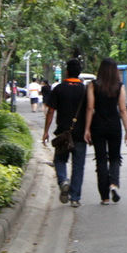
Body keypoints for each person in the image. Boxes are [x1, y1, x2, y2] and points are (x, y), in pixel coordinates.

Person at [83, 58, 127, 205]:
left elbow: (90, 108)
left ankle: (104, 196)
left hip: (98, 125)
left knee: (101, 159)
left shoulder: (93, 86)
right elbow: (122, 110)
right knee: (115, 157)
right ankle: (113, 184)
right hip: (114, 125)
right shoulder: (119, 87)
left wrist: (87, 129)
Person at [42, 60, 88, 207]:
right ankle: (75, 198)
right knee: (78, 165)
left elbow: (50, 111)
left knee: (60, 160)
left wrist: (45, 131)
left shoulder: (59, 89)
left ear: (67, 71)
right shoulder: (85, 90)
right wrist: (89, 130)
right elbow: (90, 111)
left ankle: (63, 181)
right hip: (80, 133)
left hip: (63, 132)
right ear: (79, 72)